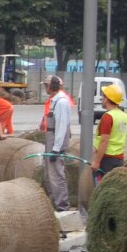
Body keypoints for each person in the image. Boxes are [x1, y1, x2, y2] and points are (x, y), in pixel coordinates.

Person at [42, 75, 73, 210]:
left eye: (46, 85)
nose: (45, 88)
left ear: (51, 86)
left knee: (56, 174)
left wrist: (56, 149)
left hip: (55, 141)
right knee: (50, 174)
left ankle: (62, 206)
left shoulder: (61, 102)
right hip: (51, 138)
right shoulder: (55, 100)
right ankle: (54, 203)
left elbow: (61, 126)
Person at [91, 84, 127, 184]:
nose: (101, 99)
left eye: (103, 96)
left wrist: (96, 162)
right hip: (119, 159)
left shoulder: (108, 117)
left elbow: (104, 141)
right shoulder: (124, 116)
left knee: (102, 188)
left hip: (106, 160)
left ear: (107, 99)